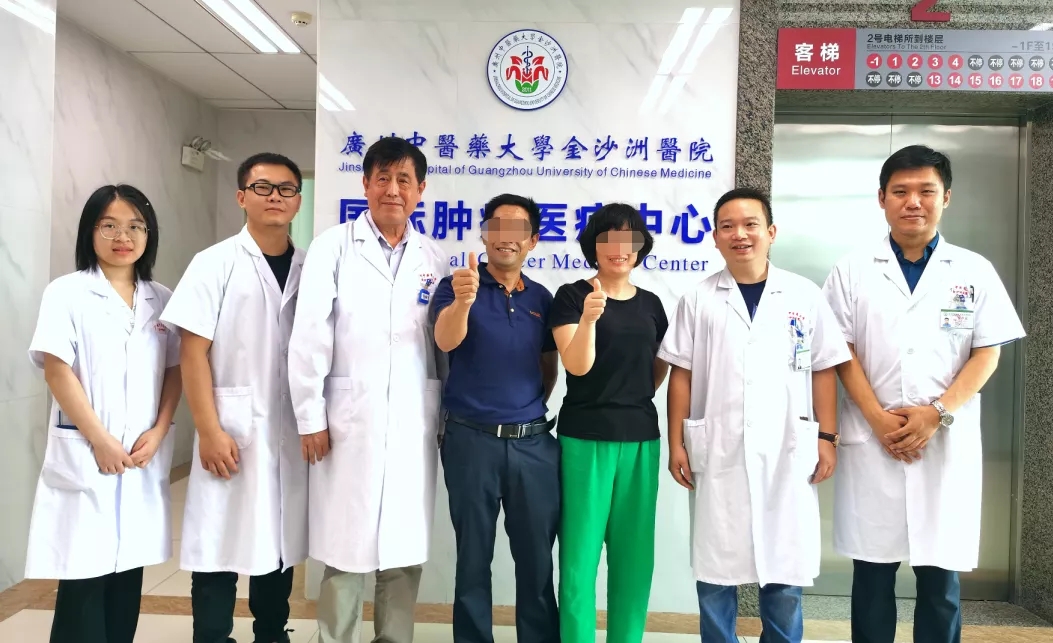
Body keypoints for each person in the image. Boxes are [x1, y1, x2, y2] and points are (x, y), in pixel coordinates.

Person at [821, 145, 1026, 643]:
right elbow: (839, 351)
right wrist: (876, 418)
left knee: (940, 579)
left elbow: (987, 353)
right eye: (901, 191)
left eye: (926, 191)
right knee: (872, 575)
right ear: (882, 199)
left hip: (943, 439)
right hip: (873, 439)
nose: (913, 201)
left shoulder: (973, 270)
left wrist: (936, 414)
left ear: (946, 197)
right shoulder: (852, 269)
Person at [658, 188, 850, 643]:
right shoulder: (698, 298)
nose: (739, 234)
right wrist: (677, 442)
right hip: (719, 447)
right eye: (727, 226)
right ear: (715, 237)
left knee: (784, 566)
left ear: (771, 232)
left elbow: (824, 368)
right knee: (716, 569)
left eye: (750, 224)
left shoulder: (803, 294)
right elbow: (681, 374)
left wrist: (827, 437)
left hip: (788, 446)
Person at [288, 136, 449, 643]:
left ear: (421, 189)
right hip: (347, 422)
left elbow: (442, 348)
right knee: (345, 549)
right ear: (365, 184)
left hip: (412, 422)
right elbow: (309, 336)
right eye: (383, 178)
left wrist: (443, 418)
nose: (393, 190)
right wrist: (310, 417)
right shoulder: (332, 247)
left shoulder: (434, 257)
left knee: (402, 552)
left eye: (404, 180)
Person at [160, 153, 308, 643]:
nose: (275, 197)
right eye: (263, 187)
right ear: (242, 196)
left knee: (277, 541)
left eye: (286, 189)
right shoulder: (215, 262)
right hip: (229, 426)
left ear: (298, 201)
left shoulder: (310, 266)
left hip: (288, 428)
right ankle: (212, 636)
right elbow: (192, 351)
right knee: (218, 543)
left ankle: (272, 632)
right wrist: (208, 429)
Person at [25, 184, 182, 643]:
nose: (123, 237)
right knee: (84, 579)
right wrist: (99, 439)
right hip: (89, 451)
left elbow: (175, 371)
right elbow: (57, 370)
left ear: (149, 234)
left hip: (139, 455)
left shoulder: (162, 298)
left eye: (135, 226)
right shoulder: (67, 292)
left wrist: (160, 429)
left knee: (126, 578)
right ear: (89, 231)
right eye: (109, 225)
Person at [430, 193, 561, 643]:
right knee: (472, 559)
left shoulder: (542, 298)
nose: (506, 237)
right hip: (471, 442)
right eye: (497, 226)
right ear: (484, 234)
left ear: (533, 240)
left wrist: (521, 414)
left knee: (537, 561)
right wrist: (464, 302)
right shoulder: (456, 286)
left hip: (533, 446)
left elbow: (548, 369)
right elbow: (445, 341)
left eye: (518, 229)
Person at [548, 203, 669, 643]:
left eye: (629, 239)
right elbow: (576, 366)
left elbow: (657, 368)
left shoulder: (652, 304)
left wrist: (632, 396)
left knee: (634, 559)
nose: (620, 249)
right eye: (609, 239)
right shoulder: (571, 296)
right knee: (579, 559)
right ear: (593, 246)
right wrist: (588, 319)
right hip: (584, 440)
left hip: (640, 440)